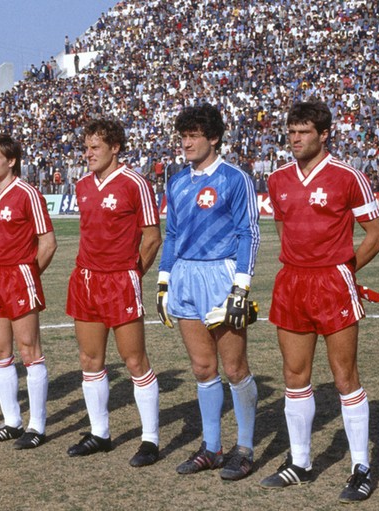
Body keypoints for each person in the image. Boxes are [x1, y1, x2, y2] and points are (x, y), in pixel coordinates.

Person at [260, 100, 379, 503]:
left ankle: (360, 467)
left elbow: (375, 234)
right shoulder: (278, 179)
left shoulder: (348, 176)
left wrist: (344, 270)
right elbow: (283, 227)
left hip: (333, 282)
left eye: (303, 132)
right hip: (292, 282)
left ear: (323, 134)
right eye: (291, 132)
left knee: (344, 376)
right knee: (295, 375)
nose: (294, 139)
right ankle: (300, 462)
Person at [157, 104, 261, 480]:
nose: (186, 143)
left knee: (234, 367)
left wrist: (241, 287)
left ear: (214, 138)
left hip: (221, 273)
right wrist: (164, 280)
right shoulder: (176, 180)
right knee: (203, 368)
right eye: (183, 137)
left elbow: (249, 233)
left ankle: (245, 448)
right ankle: (212, 447)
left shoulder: (235, 178)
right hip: (184, 274)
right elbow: (171, 234)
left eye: (194, 136)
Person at [65, 120, 162, 465]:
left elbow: (152, 238)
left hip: (120, 280)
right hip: (86, 279)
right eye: (86, 147)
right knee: (90, 361)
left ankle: (150, 439)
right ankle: (99, 433)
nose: (88, 153)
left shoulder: (135, 183)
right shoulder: (82, 186)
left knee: (134, 360)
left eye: (95, 147)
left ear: (116, 148)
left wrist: (132, 275)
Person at [0, 133, 57, 449]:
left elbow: (48, 242)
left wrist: (29, 277)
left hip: (19, 275)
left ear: (11, 161)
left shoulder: (28, 194)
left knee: (29, 351)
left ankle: (37, 426)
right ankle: (11, 422)